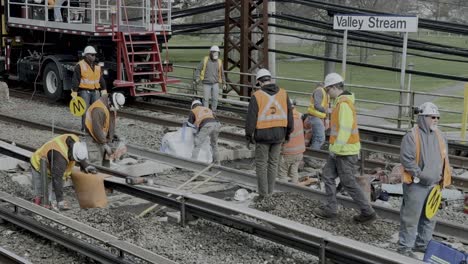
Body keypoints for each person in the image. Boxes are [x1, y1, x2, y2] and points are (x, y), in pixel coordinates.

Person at [313, 73, 376, 223]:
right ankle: (331, 208)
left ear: (334, 87)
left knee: (348, 183)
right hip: (339, 151)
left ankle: (368, 212)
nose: (328, 94)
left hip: (345, 152)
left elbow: (345, 130)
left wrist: (336, 149)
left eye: (328, 90)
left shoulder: (344, 104)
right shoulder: (341, 103)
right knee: (327, 175)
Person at [398, 102, 451, 257]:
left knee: (429, 217)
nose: (435, 120)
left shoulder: (440, 136)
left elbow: (444, 159)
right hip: (416, 185)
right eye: (432, 117)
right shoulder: (412, 136)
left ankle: (422, 245)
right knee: (411, 218)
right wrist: (420, 175)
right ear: (422, 117)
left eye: (437, 117)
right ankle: (404, 248)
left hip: (434, 185)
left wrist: (442, 179)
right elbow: (407, 159)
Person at [245, 68, 293, 201]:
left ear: (259, 82)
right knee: (273, 163)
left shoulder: (257, 96)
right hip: (279, 135)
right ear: (270, 79)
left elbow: (251, 119)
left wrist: (249, 136)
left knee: (261, 164)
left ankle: (263, 194)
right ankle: (270, 192)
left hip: (262, 136)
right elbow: (290, 116)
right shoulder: (283, 93)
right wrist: (288, 134)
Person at [30, 134, 97, 210]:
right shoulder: (60, 158)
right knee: (40, 193)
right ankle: (38, 209)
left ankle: (51, 203)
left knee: (52, 193)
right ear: (71, 153)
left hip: (55, 166)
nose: (74, 161)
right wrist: (60, 201)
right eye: (74, 159)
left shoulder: (75, 141)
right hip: (38, 164)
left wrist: (85, 165)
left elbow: (79, 155)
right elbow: (57, 180)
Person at [71, 46, 107, 131]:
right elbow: (75, 79)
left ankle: (96, 128)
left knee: (97, 110)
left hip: (95, 91)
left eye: (94, 55)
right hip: (84, 92)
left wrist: (104, 90)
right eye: (92, 55)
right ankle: (85, 128)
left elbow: (101, 79)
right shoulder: (80, 66)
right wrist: (74, 93)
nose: (94, 56)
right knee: (85, 111)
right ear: (86, 55)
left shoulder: (97, 67)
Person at [84, 93, 125, 167]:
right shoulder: (99, 109)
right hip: (92, 138)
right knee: (95, 162)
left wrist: (111, 138)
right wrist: (105, 144)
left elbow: (110, 124)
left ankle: (104, 175)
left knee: (106, 162)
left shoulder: (110, 107)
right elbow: (97, 129)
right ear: (110, 101)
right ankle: (95, 177)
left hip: (102, 138)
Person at [278, 99, 305, 184]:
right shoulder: (299, 117)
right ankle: (295, 189)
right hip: (299, 152)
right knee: (294, 171)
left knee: (282, 172)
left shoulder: (286, 120)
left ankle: (283, 190)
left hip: (289, 152)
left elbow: (282, 137)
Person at [188, 99, 221, 164]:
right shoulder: (207, 109)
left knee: (197, 144)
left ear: (192, 106)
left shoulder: (193, 111)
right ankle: (218, 164)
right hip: (217, 125)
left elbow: (190, 125)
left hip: (207, 125)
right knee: (214, 144)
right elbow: (216, 119)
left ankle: (192, 163)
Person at [194, 45, 226, 112]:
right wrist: (197, 77)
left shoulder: (219, 62)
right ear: (211, 53)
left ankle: (213, 111)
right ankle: (206, 112)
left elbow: (222, 73)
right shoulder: (205, 60)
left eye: (217, 53)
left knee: (215, 99)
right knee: (205, 99)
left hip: (215, 83)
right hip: (206, 83)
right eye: (214, 52)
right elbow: (198, 69)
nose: (216, 54)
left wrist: (224, 83)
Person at [304, 82, 329, 149]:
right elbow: (317, 105)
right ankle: (312, 157)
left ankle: (312, 154)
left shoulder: (325, 93)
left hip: (318, 117)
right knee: (319, 138)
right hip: (315, 116)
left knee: (318, 137)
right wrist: (327, 112)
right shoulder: (320, 91)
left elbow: (325, 106)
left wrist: (326, 119)